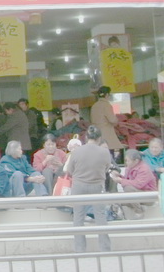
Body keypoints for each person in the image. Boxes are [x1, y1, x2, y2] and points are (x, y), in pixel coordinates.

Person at [65, 125, 112, 253]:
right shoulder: (104, 152)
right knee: (100, 216)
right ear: (99, 138)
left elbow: (69, 170)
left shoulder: (76, 151)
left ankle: (80, 249)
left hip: (79, 186)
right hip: (97, 185)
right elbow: (107, 168)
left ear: (86, 137)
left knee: (78, 217)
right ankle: (105, 248)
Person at [109, 148, 157, 219]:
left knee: (128, 188)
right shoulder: (129, 168)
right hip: (138, 194)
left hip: (148, 196)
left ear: (136, 161)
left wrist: (121, 180)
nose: (126, 162)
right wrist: (119, 177)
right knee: (118, 200)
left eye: (128, 161)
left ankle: (139, 211)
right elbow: (128, 180)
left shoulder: (144, 169)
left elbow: (138, 184)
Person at [90, 86, 123, 153]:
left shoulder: (94, 106)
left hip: (96, 133)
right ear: (107, 94)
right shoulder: (106, 105)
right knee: (114, 150)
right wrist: (117, 121)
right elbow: (112, 120)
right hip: (107, 133)